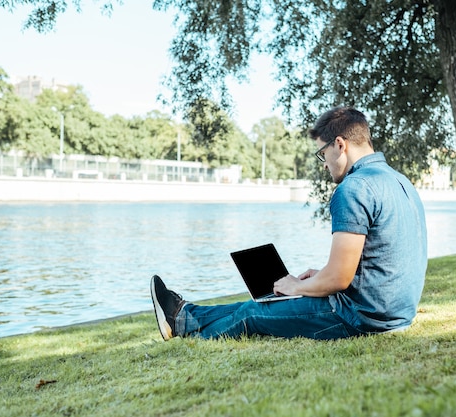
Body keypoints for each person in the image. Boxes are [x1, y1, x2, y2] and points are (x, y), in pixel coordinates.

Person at [150, 106, 427, 341]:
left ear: (340, 144)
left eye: (322, 153)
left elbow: (339, 279)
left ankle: (195, 337)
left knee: (254, 313)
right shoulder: (398, 180)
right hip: (394, 311)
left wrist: (298, 286)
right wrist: (319, 276)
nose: (324, 164)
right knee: (263, 302)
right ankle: (183, 316)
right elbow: (383, 258)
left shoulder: (354, 188)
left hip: (364, 317)